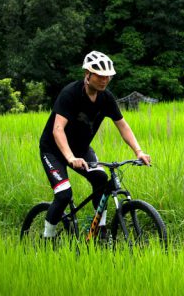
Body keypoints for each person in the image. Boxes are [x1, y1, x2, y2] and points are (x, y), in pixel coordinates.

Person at [38, 50, 151, 239]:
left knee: (101, 180)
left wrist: (138, 151)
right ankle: (46, 238)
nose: (104, 80)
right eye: (100, 75)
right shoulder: (70, 94)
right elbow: (57, 130)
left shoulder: (106, 98)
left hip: (81, 150)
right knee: (64, 195)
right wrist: (70, 158)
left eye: (108, 76)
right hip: (54, 151)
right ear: (87, 75)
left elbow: (122, 126)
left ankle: (100, 232)